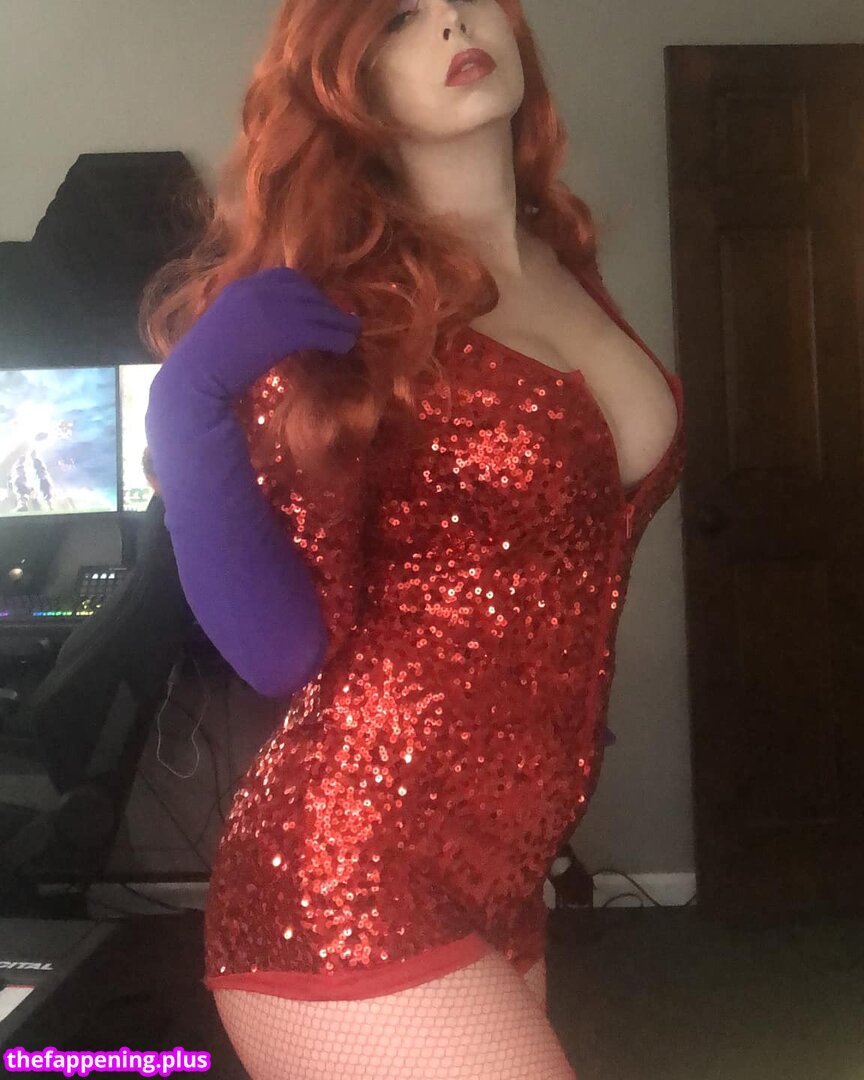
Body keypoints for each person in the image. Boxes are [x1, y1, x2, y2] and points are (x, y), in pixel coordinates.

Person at [141, 0, 685, 1076]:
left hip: (504, 857)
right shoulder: (340, 311)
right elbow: (278, 651)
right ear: (344, 78)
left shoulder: (561, 263)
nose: (451, 21)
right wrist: (184, 404)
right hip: (349, 864)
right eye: (400, 16)